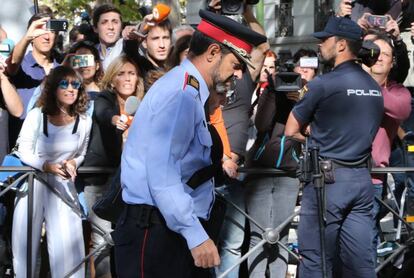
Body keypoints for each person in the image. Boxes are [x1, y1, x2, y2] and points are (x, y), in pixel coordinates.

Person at [113, 9, 267, 278]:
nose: (239, 75)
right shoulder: (181, 94)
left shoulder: (189, 90)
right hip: (156, 233)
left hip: (167, 229)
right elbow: (163, 175)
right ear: (213, 53)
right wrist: (195, 235)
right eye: (236, 64)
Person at [285, 16, 384, 277]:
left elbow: (291, 130)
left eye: (324, 40)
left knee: (316, 260)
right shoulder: (374, 87)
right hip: (362, 182)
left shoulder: (322, 84)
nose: (320, 45)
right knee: (361, 263)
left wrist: (316, 135)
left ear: (341, 45)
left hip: (327, 184)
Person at [12, 66, 92, 278]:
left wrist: (74, 163)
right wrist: (46, 166)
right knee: (25, 248)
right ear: (53, 87)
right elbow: (23, 150)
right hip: (33, 183)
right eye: (64, 84)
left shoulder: (85, 121)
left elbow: (81, 152)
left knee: (69, 251)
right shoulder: (37, 115)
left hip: (63, 185)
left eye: (75, 84)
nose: (70, 89)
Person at [245, 48, 317, 278]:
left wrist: (302, 101)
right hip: (261, 170)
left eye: (309, 65)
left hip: (289, 172)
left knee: (281, 234)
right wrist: (273, 91)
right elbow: (263, 125)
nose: (303, 70)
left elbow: (312, 131)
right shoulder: (273, 90)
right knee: (258, 234)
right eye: (299, 65)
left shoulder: (312, 94)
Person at [80, 54, 144, 277]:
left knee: (131, 239)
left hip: (135, 185)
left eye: (132, 73)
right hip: (102, 182)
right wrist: (115, 120)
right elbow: (102, 113)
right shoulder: (104, 99)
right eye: (121, 73)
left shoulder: (145, 105)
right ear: (112, 78)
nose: (127, 79)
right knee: (101, 239)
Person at [364, 33, 411, 260]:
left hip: (372, 178)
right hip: (337, 174)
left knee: (366, 242)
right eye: (375, 51)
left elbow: (400, 110)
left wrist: (364, 84)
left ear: (393, 63)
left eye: (386, 54)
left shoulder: (397, 91)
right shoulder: (345, 83)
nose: (379, 57)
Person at [6, 12, 58, 149]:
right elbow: (12, 62)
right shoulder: (21, 64)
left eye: (51, 31)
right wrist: (27, 37)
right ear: (31, 36)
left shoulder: (63, 68)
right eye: (41, 31)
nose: (47, 36)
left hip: (55, 147)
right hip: (21, 147)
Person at [92, 4, 123, 71]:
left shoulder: (128, 47)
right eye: (104, 22)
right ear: (95, 28)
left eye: (115, 22)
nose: (111, 27)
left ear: (121, 27)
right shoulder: (91, 53)